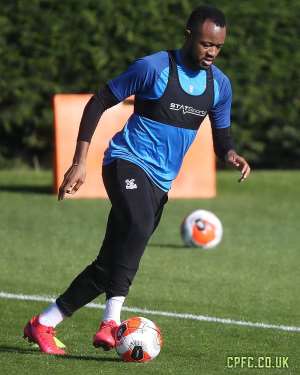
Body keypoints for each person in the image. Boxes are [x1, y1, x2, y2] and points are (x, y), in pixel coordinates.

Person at [24, 5, 250, 355]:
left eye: (218, 47)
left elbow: (222, 136)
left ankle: (44, 323)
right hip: (125, 162)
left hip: (160, 182)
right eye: (206, 44)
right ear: (188, 35)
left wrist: (232, 155)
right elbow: (99, 100)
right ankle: (111, 322)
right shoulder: (154, 67)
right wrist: (78, 163)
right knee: (140, 224)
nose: (211, 52)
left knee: (109, 265)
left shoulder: (219, 86)